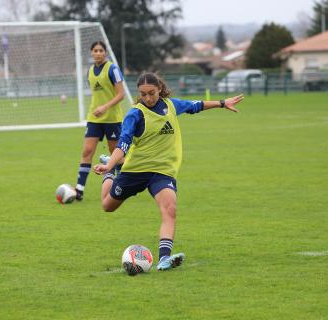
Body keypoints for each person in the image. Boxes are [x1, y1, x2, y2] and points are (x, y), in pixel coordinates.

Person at [94, 72, 244, 271]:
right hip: (136, 170)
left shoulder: (171, 105)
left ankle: (164, 258)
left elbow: (196, 105)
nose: (148, 98)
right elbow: (123, 143)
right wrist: (109, 166)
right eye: (143, 94)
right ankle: (110, 173)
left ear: (159, 90)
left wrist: (222, 103)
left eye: (152, 93)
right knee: (107, 206)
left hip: (162, 172)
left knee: (170, 209)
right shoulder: (135, 114)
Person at [74, 41, 125, 201]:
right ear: (91, 53)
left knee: (115, 155)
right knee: (87, 151)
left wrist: (105, 107)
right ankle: (79, 190)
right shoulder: (89, 71)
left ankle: (124, 185)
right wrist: (98, 108)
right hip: (94, 118)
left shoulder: (112, 69)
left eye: (101, 50)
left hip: (112, 119)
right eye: (95, 50)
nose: (98, 53)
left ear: (105, 52)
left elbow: (121, 94)